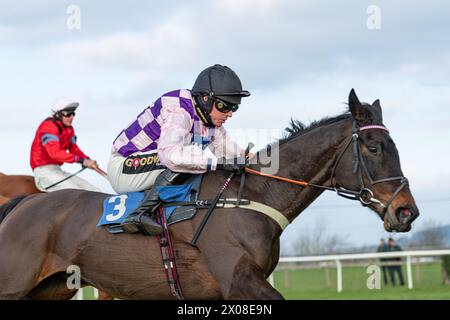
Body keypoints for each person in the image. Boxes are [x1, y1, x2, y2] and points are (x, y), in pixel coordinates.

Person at [107, 64, 251, 235]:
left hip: (149, 167)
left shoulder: (208, 120)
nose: (230, 113)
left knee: (200, 160)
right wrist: (218, 164)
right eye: (225, 106)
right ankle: (139, 214)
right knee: (192, 155)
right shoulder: (179, 110)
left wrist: (255, 162)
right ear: (206, 98)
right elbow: (171, 156)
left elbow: (235, 154)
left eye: (234, 107)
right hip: (125, 167)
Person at [30, 99, 101, 192]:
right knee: (77, 193)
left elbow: (74, 149)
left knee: (94, 191)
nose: (71, 117)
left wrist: (87, 160)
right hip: (44, 172)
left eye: (73, 114)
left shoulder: (69, 129)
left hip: (57, 170)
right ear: (57, 114)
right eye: (68, 114)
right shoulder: (48, 127)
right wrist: (82, 160)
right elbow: (55, 153)